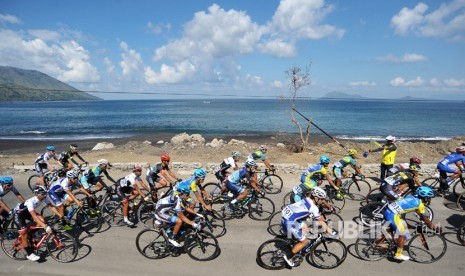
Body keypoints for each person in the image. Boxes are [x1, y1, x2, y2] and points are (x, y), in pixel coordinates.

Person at [281, 187, 338, 267]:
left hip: (286, 216)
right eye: (321, 199)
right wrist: (331, 232)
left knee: (305, 226)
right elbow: (321, 220)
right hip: (289, 222)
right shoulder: (313, 208)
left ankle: (297, 245)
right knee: (304, 242)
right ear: (316, 198)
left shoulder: (307, 199)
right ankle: (288, 257)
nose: (322, 202)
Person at [382, 186, 439, 261]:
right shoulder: (419, 204)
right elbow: (425, 219)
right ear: (425, 197)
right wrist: (434, 227)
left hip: (389, 210)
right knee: (401, 234)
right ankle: (398, 254)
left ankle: (381, 240)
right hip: (393, 214)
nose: (429, 199)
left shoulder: (412, 197)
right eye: (429, 197)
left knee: (404, 226)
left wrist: (424, 219)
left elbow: (420, 214)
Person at [13, 186, 54, 261]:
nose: (45, 195)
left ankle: (30, 233)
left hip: (27, 212)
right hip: (18, 215)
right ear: (37, 194)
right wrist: (45, 227)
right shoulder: (30, 202)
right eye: (43, 193)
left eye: (45, 193)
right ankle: (29, 254)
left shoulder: (44, 197)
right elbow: (34, 217)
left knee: (42, 220)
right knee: (24, 233)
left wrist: (61, 216)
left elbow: (51, 207)